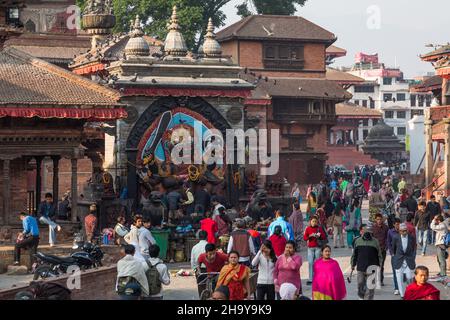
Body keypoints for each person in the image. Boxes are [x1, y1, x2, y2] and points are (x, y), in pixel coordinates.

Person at [351, 225, 383, 300]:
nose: (367, 233)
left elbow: (379, 255)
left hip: (372, 268)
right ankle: (361, 297)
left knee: (370, 288)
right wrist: (353, 264)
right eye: (366, 232)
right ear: (362, 232)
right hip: (361, 267)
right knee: (360, 284)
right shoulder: (358, 241)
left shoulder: (375, 241)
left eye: (369, 232)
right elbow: (354, 254)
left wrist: (380, 266)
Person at [392, 223, 416, 298]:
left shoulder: (411, 237)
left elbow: (413, 247)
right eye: (402, 231)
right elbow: (394, 248)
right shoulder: (395, 237)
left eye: (405, 231)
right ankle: (402, 295)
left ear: (407, 230)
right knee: (399, 278)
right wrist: (396, 256)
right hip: (399, 260)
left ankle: (409, 291)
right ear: (399, 231)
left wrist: (412, 256)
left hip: (408, 259)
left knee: (409, 277)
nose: (404, 232)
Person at [303, 215, 326, 285]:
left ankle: (318, 277)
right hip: (310, 248)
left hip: (318, 247)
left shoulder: (319, 228)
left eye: (315, 221)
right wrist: (310, 236)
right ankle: (310, 278)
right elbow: (304, 238)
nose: (314, 223)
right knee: (310, 263)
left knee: (317, 263)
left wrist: (319, 236)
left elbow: (324, 236)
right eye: (313, 221)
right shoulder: (308, 229)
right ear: (310, 222)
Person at [370, 213, 389, 286]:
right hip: (374, 250)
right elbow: (371, 239)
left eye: (380, 219)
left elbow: (388, 238)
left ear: (382, 220)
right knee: (374, 265)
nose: (379, 221)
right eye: (377, 219)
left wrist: (386, 246)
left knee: (381, 265)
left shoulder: (386, 227)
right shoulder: (373, 228)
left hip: (383, 249)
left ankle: (381, 280)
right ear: (375, 220)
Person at [387, 218, 401, 295]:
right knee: (395, 272)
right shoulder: (390, 232)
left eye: (399, 224)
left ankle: (401, 286)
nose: (398, 226)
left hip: (402, 255)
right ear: (393, 224)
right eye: (396, 224)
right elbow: (388, 242)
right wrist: (391, 252)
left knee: (403, 272)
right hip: (394, 255)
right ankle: (396, 288)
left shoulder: (403, 231)